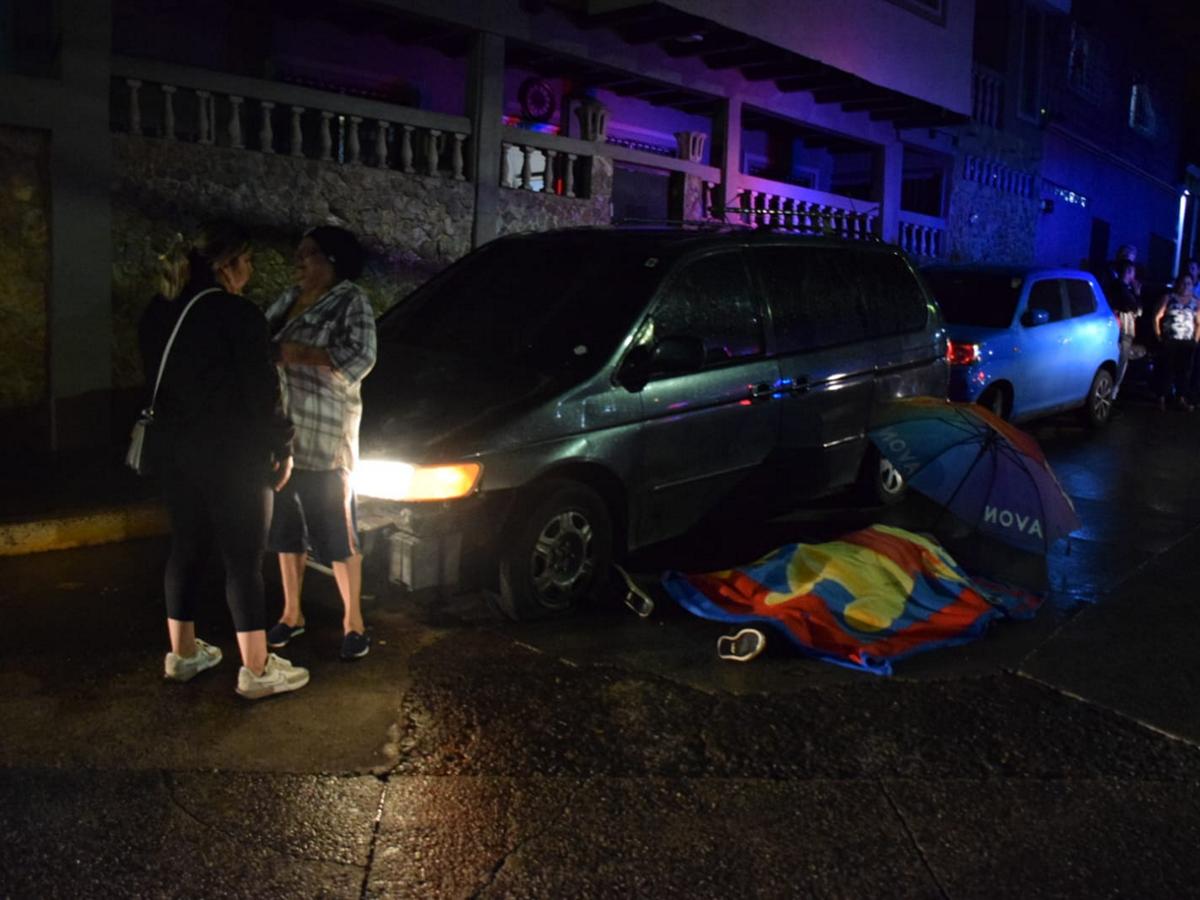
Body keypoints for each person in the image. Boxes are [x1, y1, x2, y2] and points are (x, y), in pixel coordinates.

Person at [138, 223, 309, 700]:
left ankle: (184, 654)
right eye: (247, 261)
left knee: (186, 545)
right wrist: (283, 446)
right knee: (242, 560)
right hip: (234, 455)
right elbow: (263, 394)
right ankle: (256, 669)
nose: (251, 270)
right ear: (225, 266)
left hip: (174, 451)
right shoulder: (238, 314)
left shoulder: (158, 312)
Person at [264, 225, 377, 660]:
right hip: (285, 434)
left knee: (337, 532)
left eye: (309, 255)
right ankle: (292, 614)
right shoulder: (287, 300)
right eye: (299, 254)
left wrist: (297, 354)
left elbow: (360, 358)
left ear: (332, 261)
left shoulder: (351, 301)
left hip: (328, 438)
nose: (300, 262)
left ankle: (354, 623)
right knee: (285, 529)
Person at [1152, 271, 1200, 411]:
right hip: (1170, 340)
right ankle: (1162, 397)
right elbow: (1157, 317)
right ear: (1178, 284)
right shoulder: (1169, 298)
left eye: (1189, 283)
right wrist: (1159, 336)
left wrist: (1195, 340)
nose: (1186, 286)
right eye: (1183, 283)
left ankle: (1180, 398)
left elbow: (1198, 322)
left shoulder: (1196, 301)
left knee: (1184, 372)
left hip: (1187, 342)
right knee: (1166, 369)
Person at [1105, 259, 1141, 401]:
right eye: (1131, 272)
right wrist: (1137, 294)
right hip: (1123, 327)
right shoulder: (1121, 287)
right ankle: (1112, 393)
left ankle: (1112, 392)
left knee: (1120, 359)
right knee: (1121, 359)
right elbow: (1134, 307)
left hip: (1120, 326)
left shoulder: (1118, 286)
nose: (1133, 276)